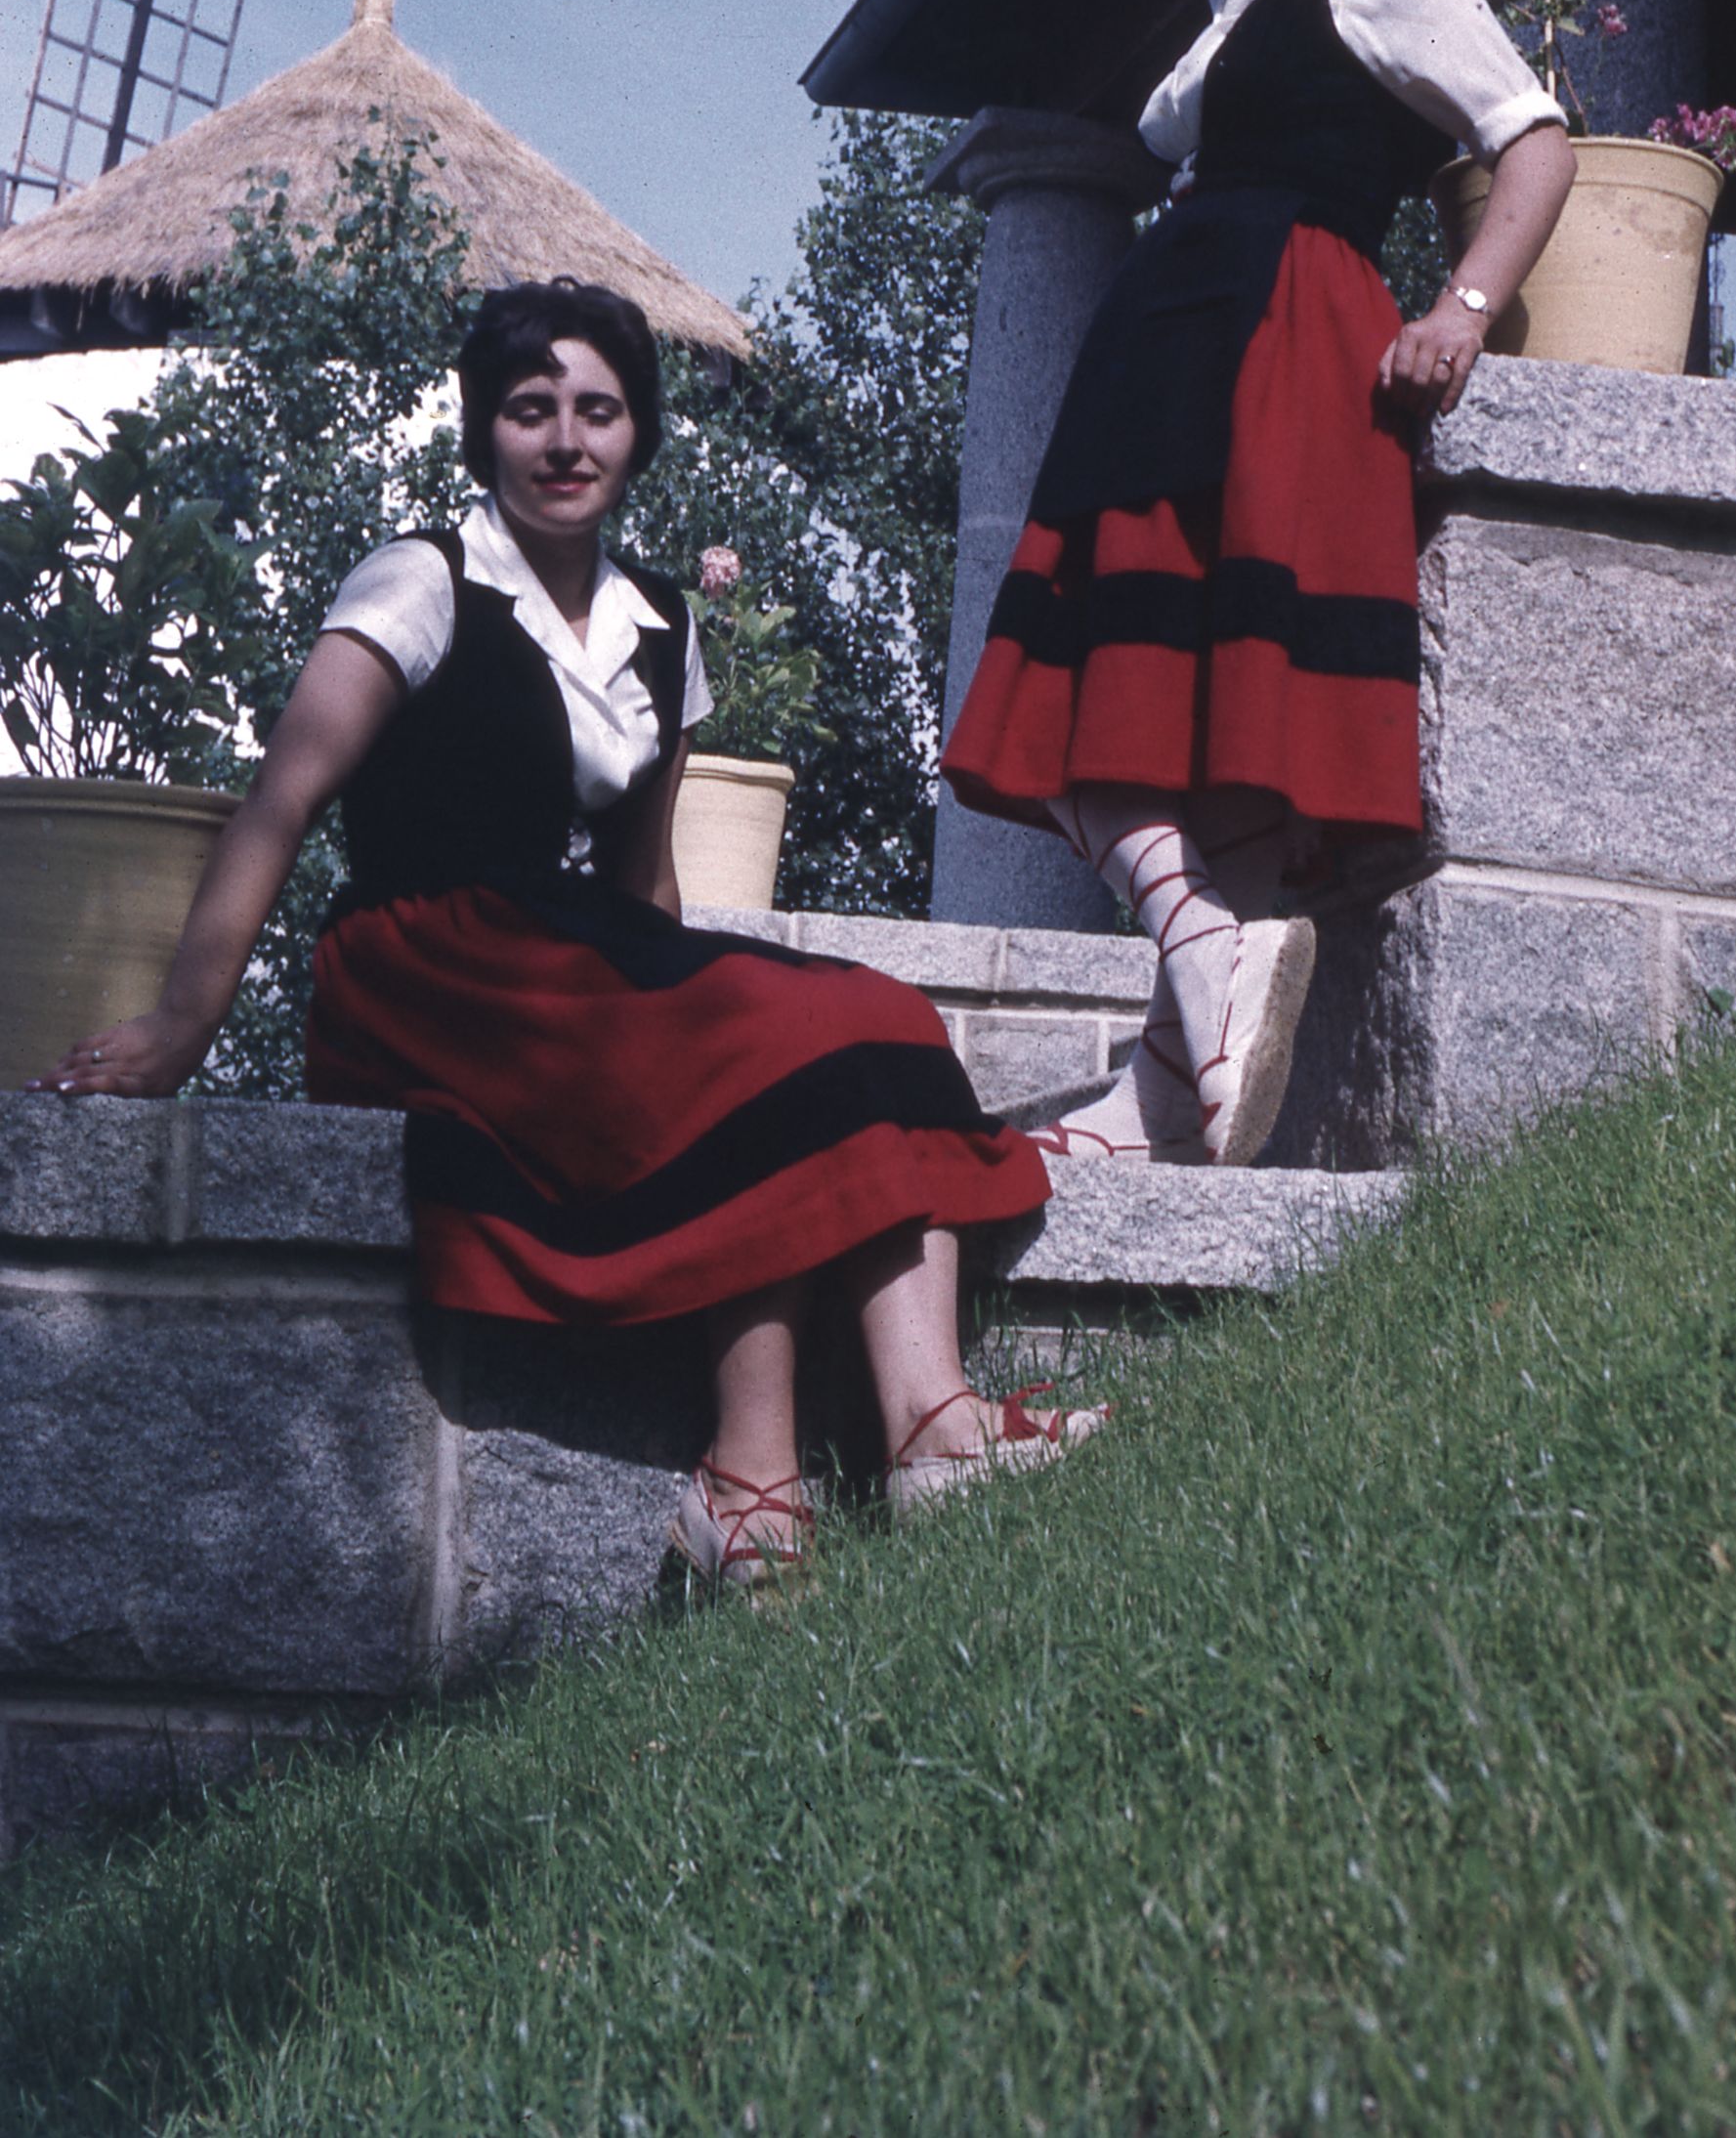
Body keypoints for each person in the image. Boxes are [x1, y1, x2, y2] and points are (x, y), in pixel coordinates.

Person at [42, 279, 1099, 1586]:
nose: (563, 440)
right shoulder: (424, 580)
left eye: (596, 412)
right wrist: (180, 1025)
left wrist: (695, 1000)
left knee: (872, 1015)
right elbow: (282, 802)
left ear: (637, 433)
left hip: (570, 961)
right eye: (529, 409)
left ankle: (931, 1432)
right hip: (427, 973)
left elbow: (643, 883)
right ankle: (752, 1478)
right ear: (484, 430)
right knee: (756, 1041)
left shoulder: (663, 625)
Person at [942, 0, 1576, 1169]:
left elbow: (1532, 137)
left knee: (1077, 708)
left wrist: (1463, 308)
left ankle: (1200, 946)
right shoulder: (1232, 4)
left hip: (1273, 340)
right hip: (1176, 349)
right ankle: (1170, 1088)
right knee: (1157, 714)